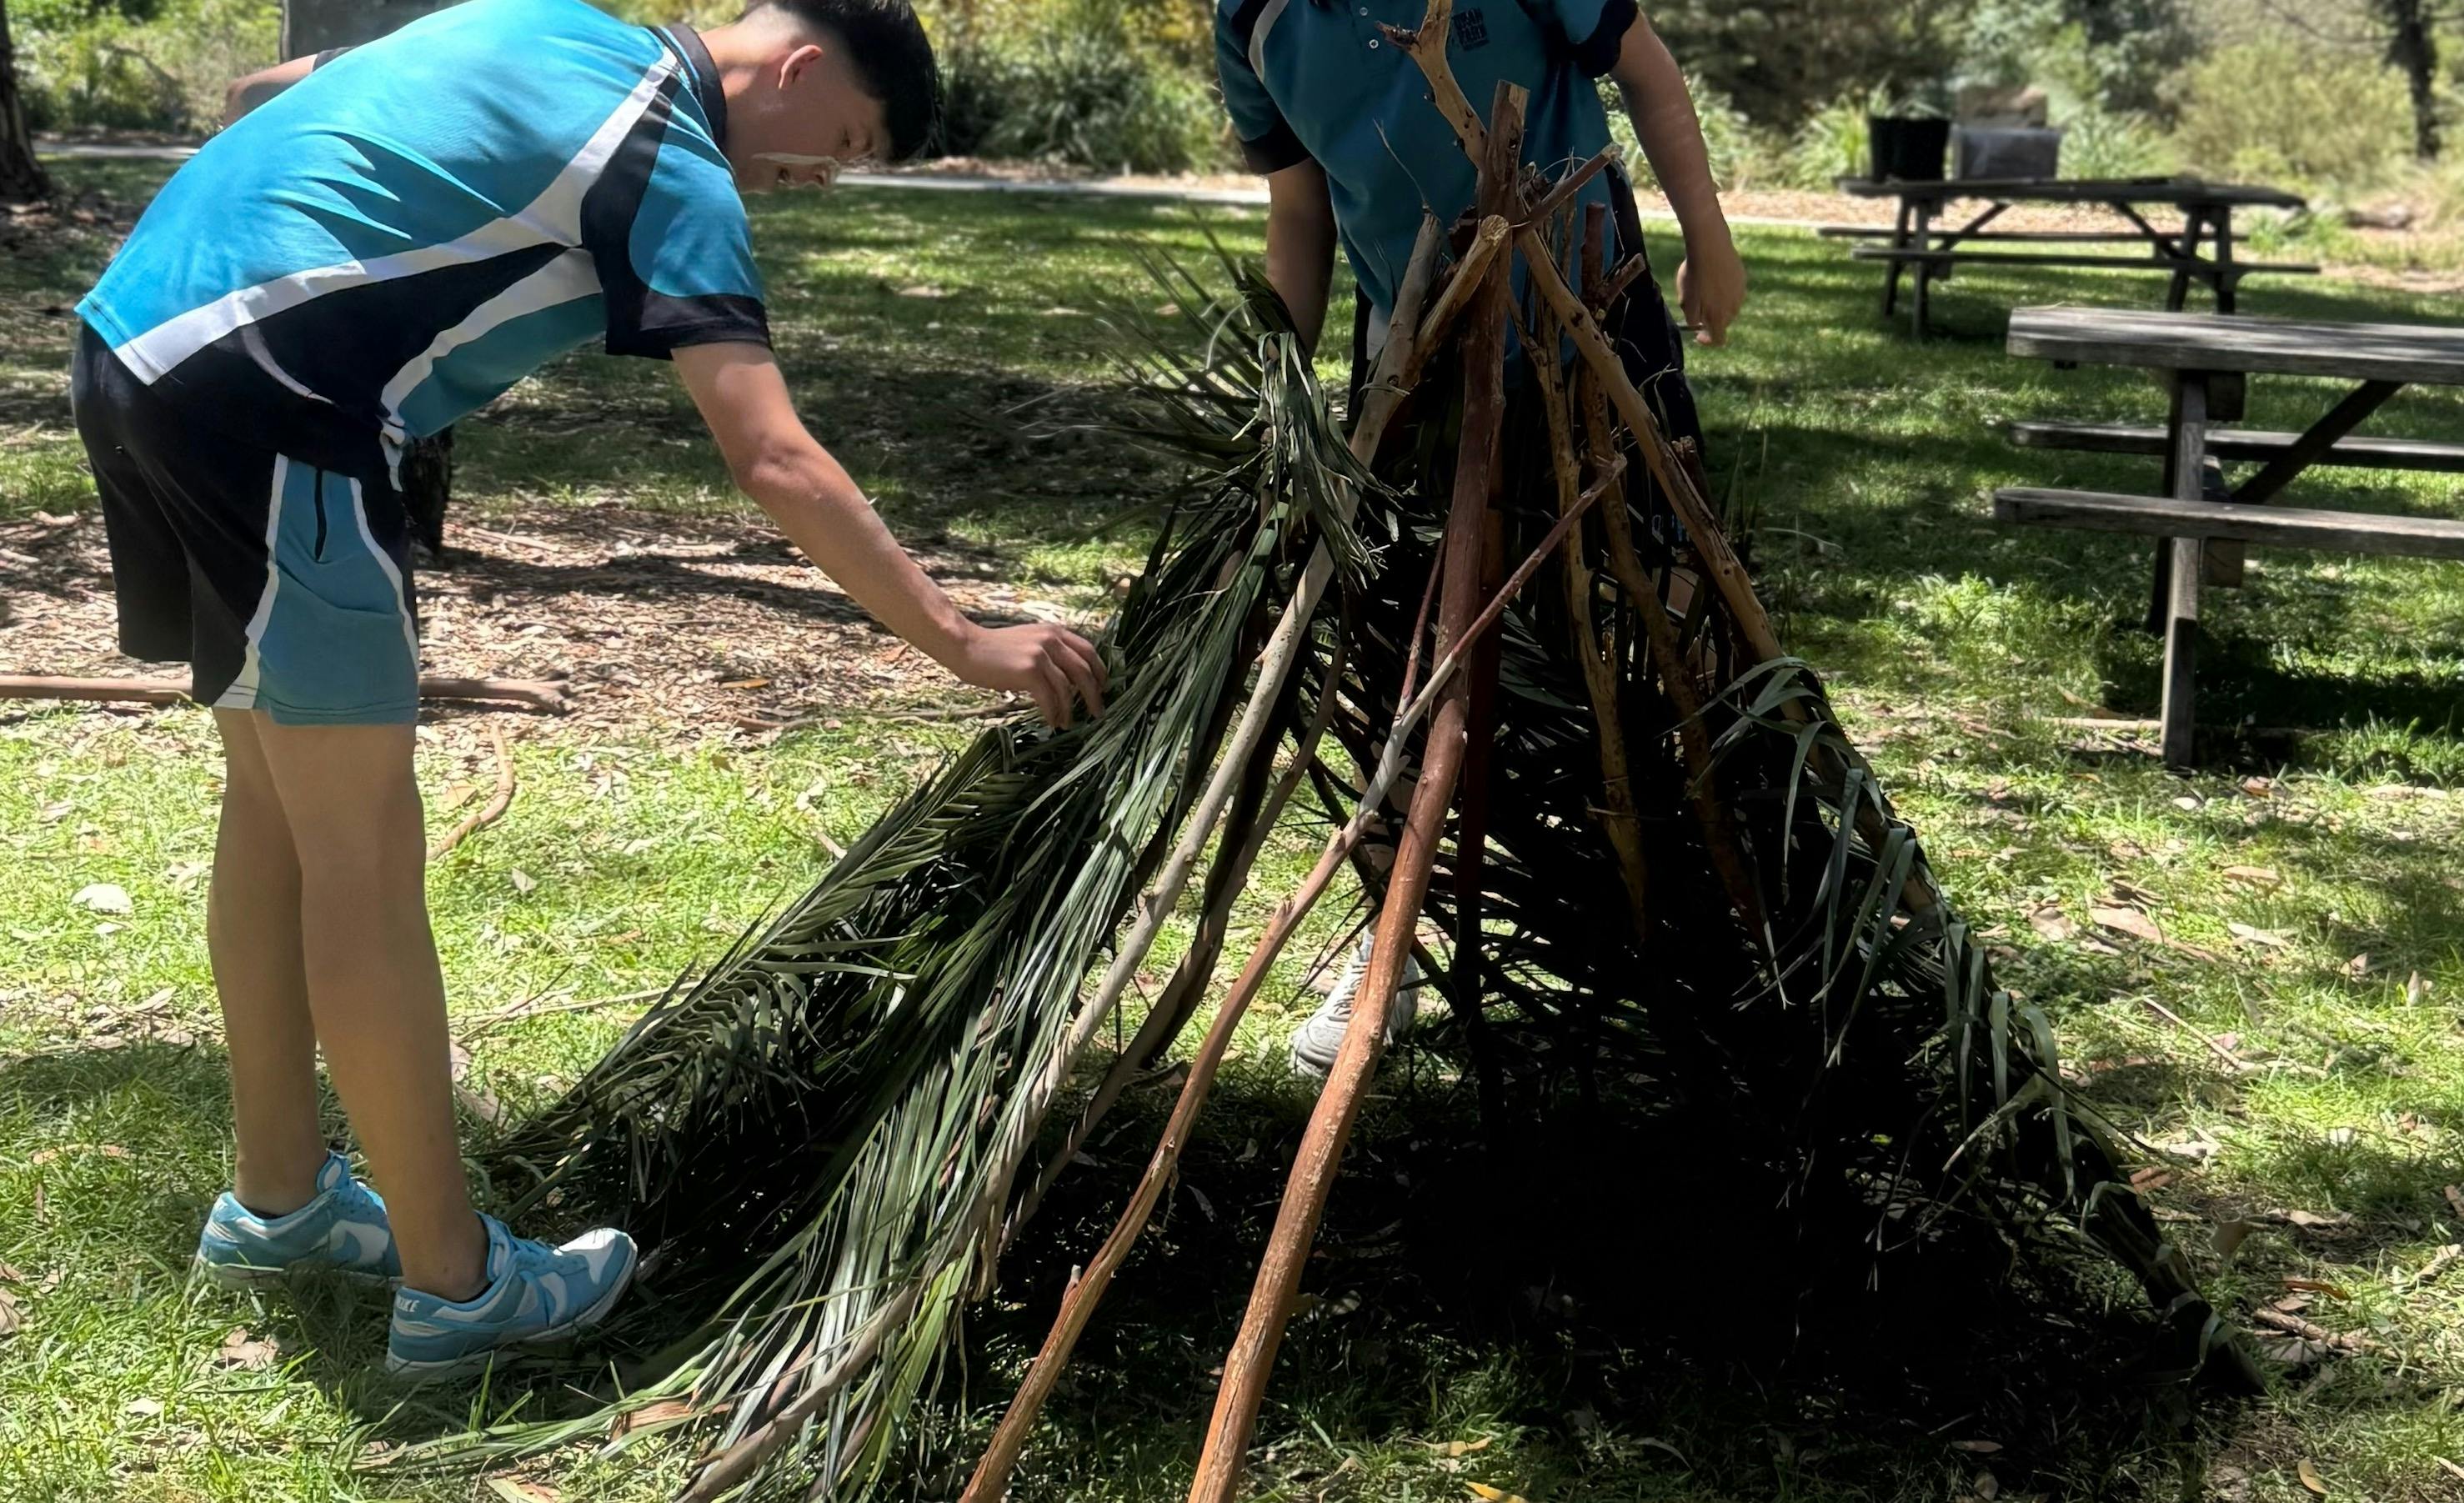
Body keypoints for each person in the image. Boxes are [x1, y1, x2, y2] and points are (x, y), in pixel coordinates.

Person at [73, 0, 1106, 1380]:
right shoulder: (671, 155)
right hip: (274, 411)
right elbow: (773, 457)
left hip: (140, 337)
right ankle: (455, 1288)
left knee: (271, 810)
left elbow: (272, 86)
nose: (817, 179)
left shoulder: (553, 25)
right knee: (363, 856)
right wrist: (963, 637)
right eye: (842, 142)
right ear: (798, 68)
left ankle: (281, 1203)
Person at [1212, 0, 1744, 1076]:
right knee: (1402, 657)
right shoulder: (1251, 18)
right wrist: (1277, 405)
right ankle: (1385, 962)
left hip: (1597, 315)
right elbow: (1301, 216)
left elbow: (1646, 72)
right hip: (1416, 350)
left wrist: (1711, 237)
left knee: (1678, 616)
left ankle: (1731, 931)